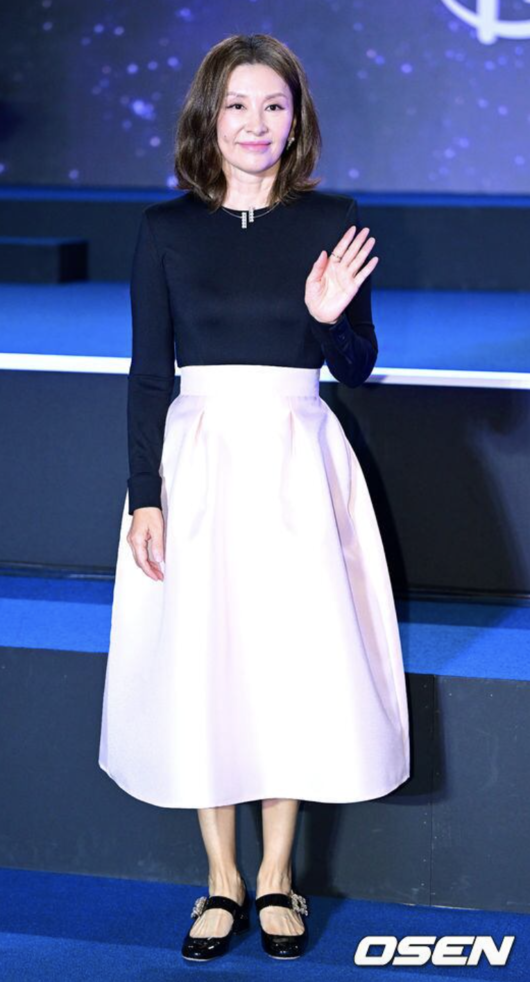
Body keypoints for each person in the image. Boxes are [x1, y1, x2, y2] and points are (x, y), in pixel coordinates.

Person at [98, 32, 410, 962]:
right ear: (209, 117)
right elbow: (147, 374)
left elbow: (357, 365)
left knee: (288, 660)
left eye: (274, 105)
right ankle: (221, 879)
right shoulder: (165, 228)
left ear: (296, 120)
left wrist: (329, 320)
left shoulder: (334, 221)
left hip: (295, 461)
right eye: (237, 105)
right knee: (206, 659)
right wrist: (144, 495)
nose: (255, 123)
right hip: (197, 464)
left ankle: (277, 874)